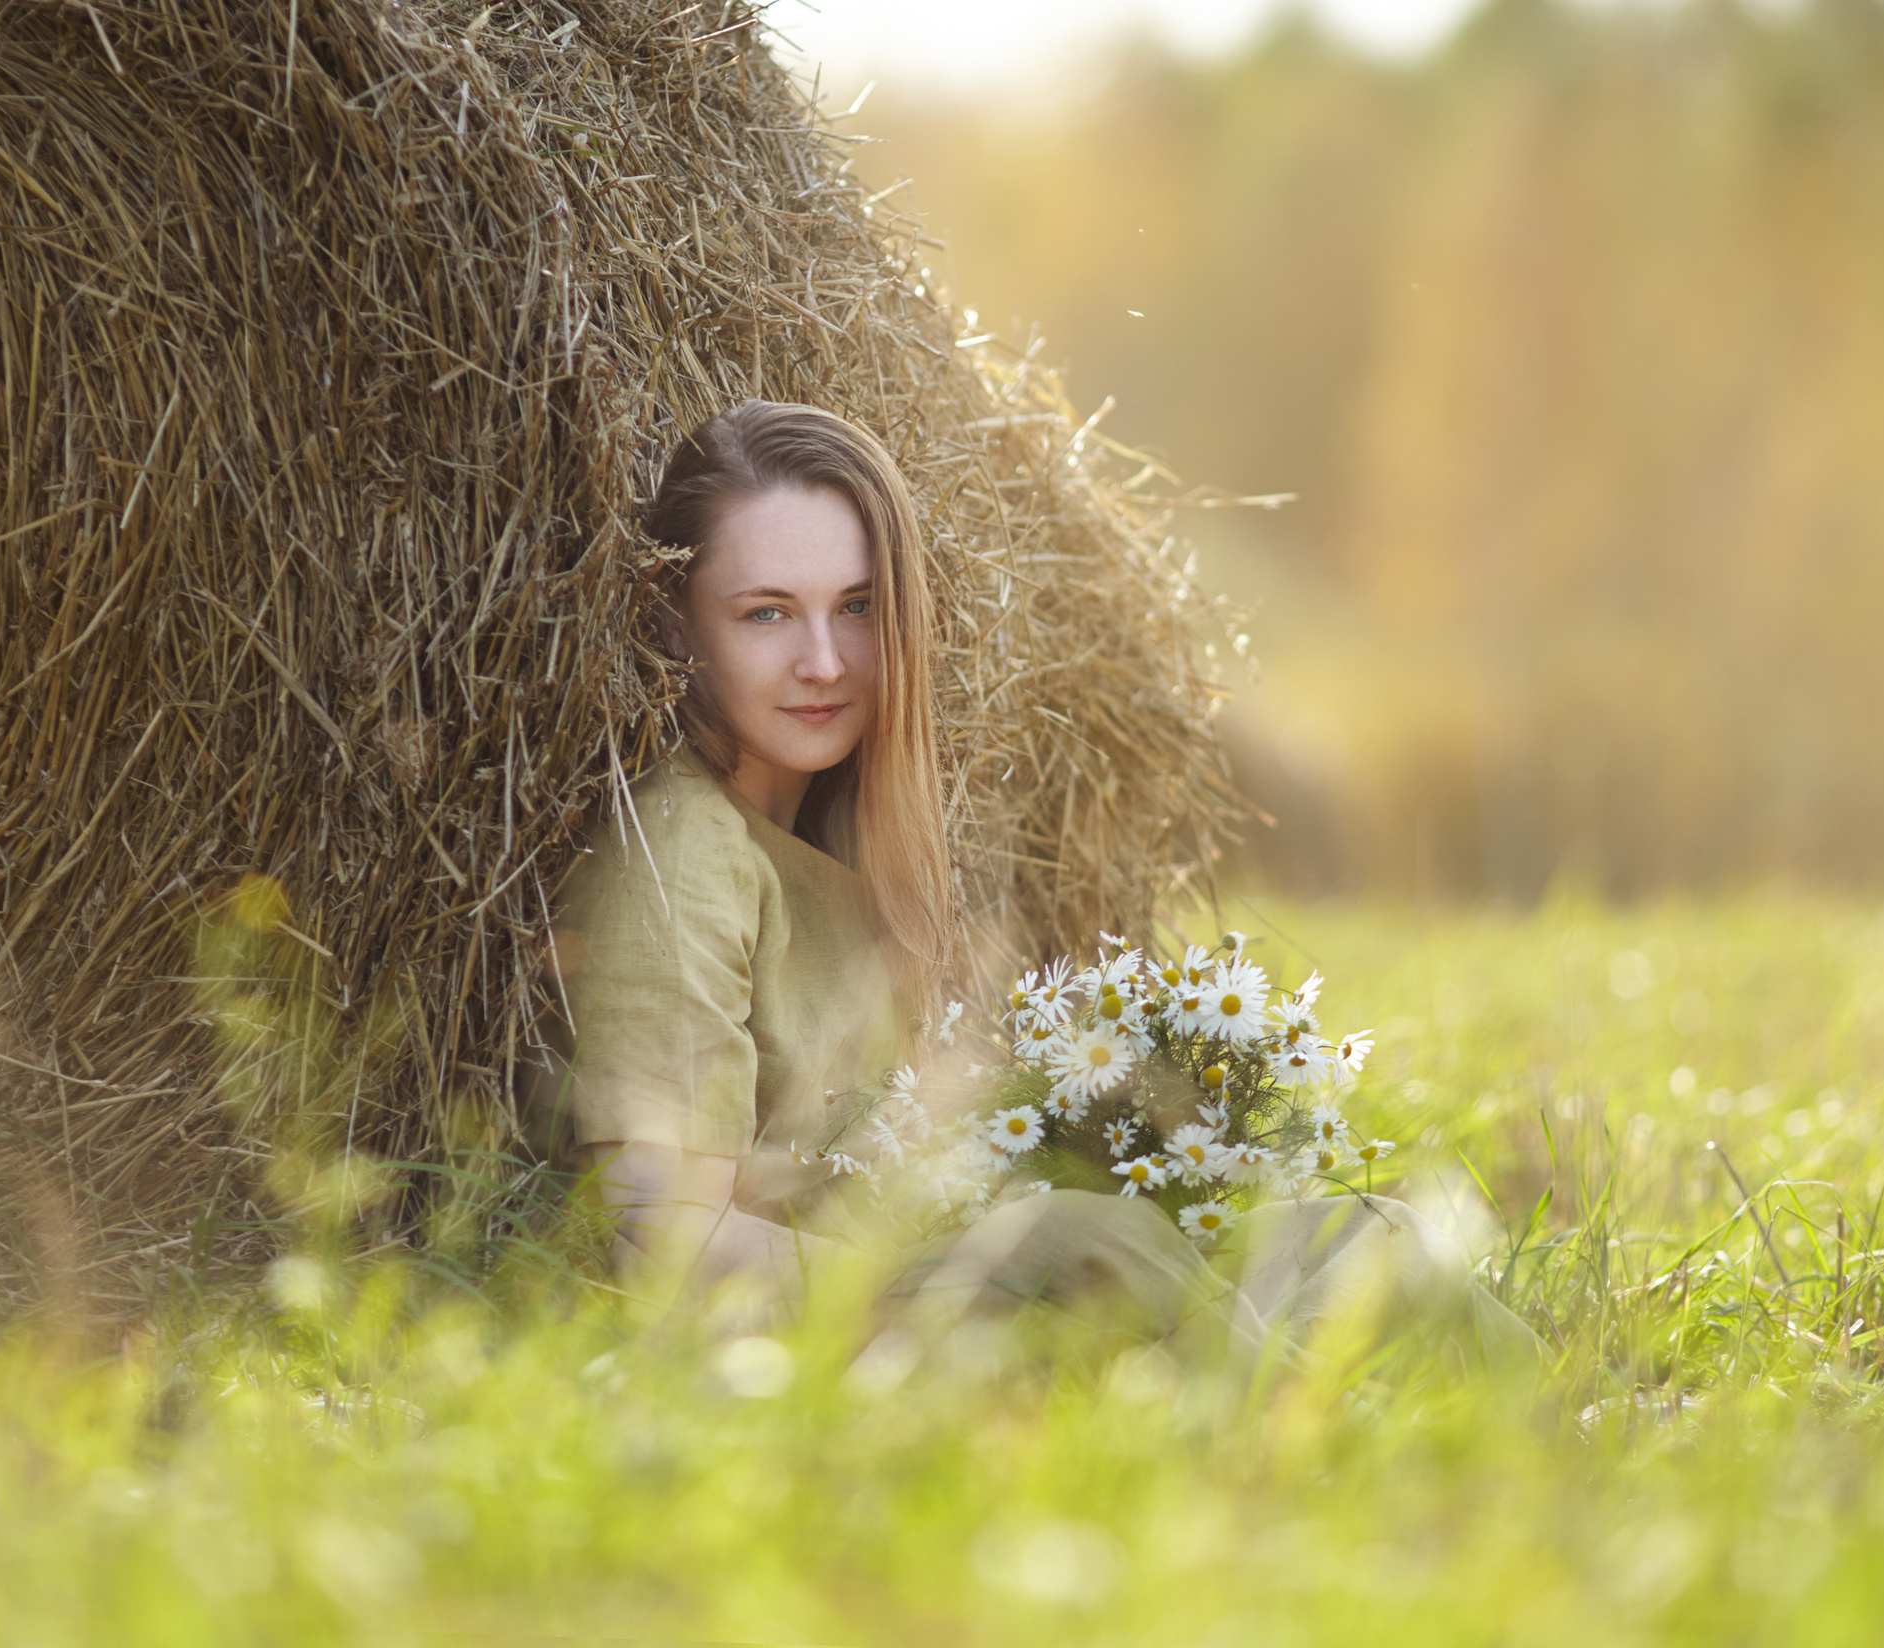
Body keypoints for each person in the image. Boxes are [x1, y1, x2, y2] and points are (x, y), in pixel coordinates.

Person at [550, 401, 1538, 1374]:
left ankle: (1583, 1430)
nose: (823, 661)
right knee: (1086, 1240)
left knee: (1367, 1233)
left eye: (857, 607)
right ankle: (1302, 1442)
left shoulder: (838, 851)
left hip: (946, 1282)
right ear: (681, 624)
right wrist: (965, 1270)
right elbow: (662, 1233)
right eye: (766, 613)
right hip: (826, 1347)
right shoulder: (681, 847)